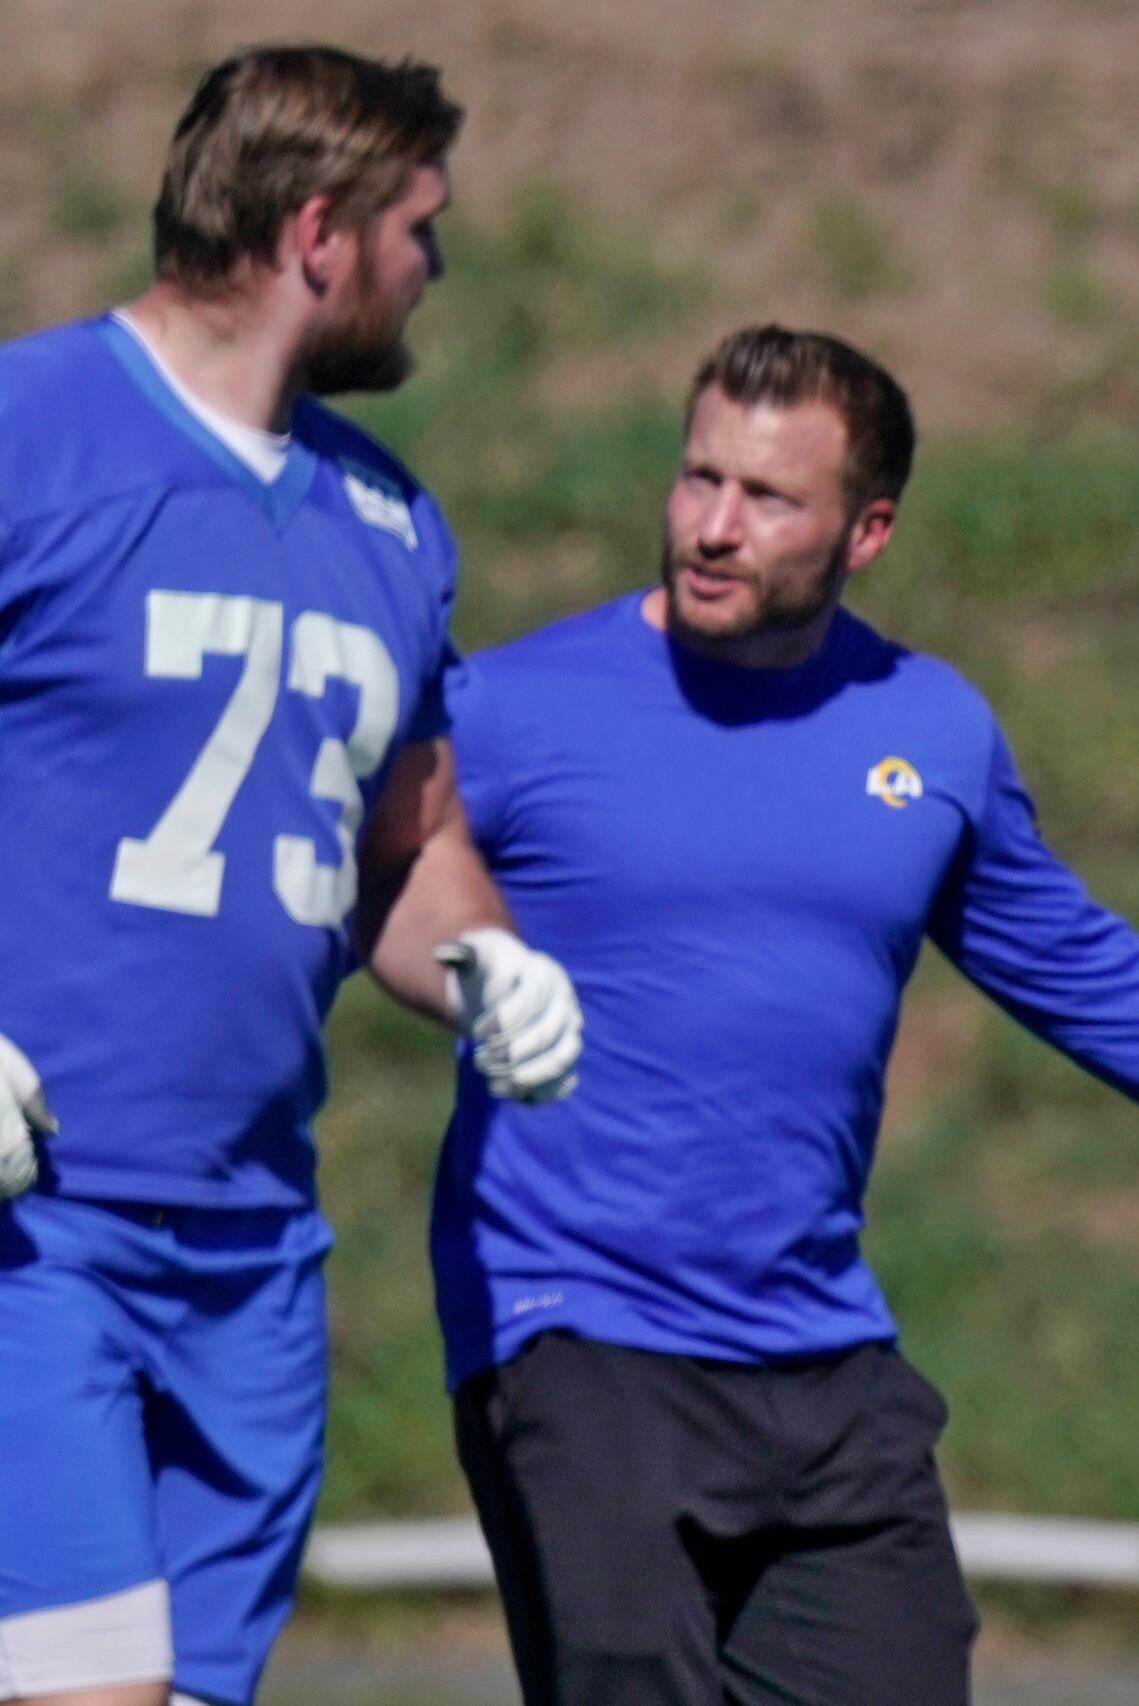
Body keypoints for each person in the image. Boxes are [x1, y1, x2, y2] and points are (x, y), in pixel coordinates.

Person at [420, 324, 1139, 1706]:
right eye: (698, 480)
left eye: (767, 498)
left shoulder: (930, 732)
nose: (713, 528)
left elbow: (1092, 981)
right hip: (573, 1330)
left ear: (867, 530)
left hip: (816, 1355)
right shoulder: (509, 708)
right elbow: (311, 903)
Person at [0, 47, 583, 1706]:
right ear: (319, 234)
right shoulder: (26, 432)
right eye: (421, 230)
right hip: (34, 1234)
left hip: (251, 1249)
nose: (437, 273)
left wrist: (486, 960)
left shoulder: (389, 524)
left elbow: (407, 840)